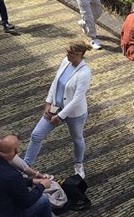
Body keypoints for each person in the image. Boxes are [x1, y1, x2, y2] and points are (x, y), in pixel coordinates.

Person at [24, 40, 92, 179]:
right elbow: (56, 83)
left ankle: (78, 164)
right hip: (56, 106)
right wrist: (48, 103)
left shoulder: (85, 72)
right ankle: (26, 166)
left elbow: (78, 98)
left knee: (77, 138)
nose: (67, 54)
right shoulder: (65, 62)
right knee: (36, 135)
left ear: (79, 54)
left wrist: (60, 116)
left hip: (74, 113)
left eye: (70, 52)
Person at [0, 135, 52, 217]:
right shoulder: (13, 176)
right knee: (43, 201)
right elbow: (27, 201)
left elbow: (6, 182)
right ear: (16, 150)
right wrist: (42, 186)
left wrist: (31, 181)